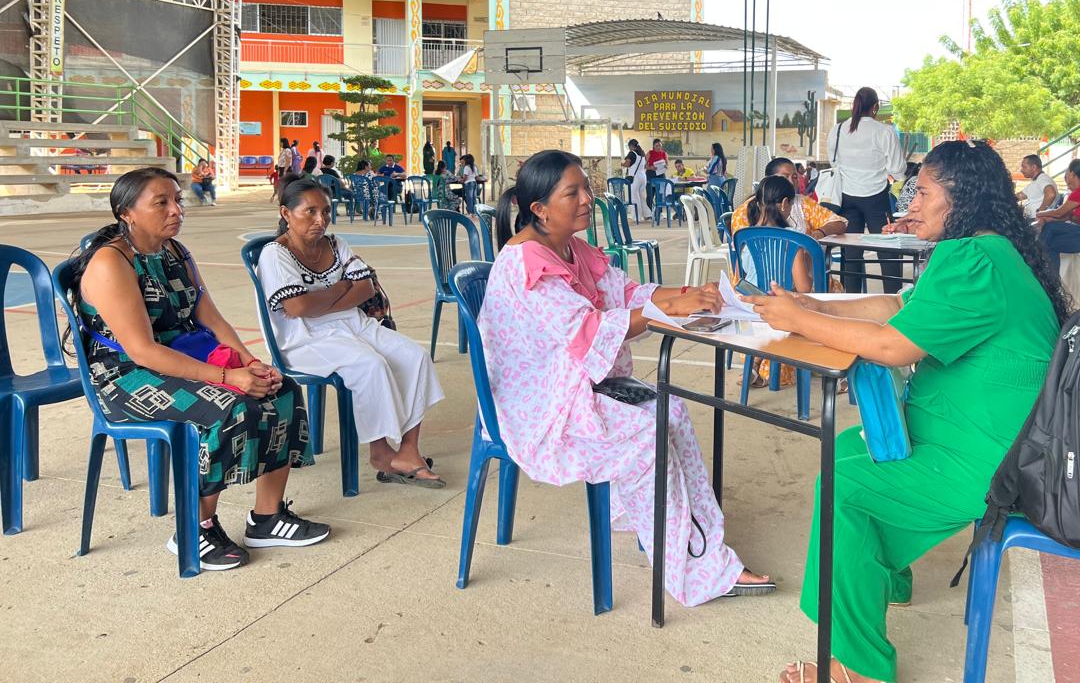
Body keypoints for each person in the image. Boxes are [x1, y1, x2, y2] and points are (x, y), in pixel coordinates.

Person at [745, 140, 1071, 683]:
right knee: (853, 446)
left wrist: (798, 322)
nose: (910, 202)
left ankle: (860, 667)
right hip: (995, 443)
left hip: (995, 462)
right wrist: (812, 304)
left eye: (922, 191)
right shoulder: (985, 251)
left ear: (961, 197)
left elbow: (894, 346)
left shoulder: (975, 260)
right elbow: (901, 310)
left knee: (842, 487)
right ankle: (884, 576)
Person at [478, 149, 775, 605]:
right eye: (572, 192)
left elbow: (624, 291)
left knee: (671, 411)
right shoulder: (527, 264)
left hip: (572, 386)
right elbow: (587, 331)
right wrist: (668, 309)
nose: (586, 200)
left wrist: (685, 295)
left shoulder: (570, 247)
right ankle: (696, 571)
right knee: (648, 435)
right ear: (538, 209)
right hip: (539, 408)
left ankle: (680, 534)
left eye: (587, 189)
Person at [69, 167, 329, 571]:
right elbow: (141, 351)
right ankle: (196, 526)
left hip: (186, 360)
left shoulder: (174, 252)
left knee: (283, 390)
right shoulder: (111, 262)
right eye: (162, 202)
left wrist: (250, 362)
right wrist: (228, 378)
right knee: (230, 407)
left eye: (177, 199)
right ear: (127, 212)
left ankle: (267, 517)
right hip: (126, 376)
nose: (176, 209)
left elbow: (213, 320)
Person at [259, 176, 446, 487]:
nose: (321, 220)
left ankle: (409, 450)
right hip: (304, 338)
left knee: (415, 356)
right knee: (370, 365)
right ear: (285, 213)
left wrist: (326, 299)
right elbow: (297, 309)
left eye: (326, 212)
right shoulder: (275, 254)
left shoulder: (335, 244)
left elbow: (365, 288)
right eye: (310, 212)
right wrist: (342, 288)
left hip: (354, 324)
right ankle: (381, 452)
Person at [826, 87, 907, 294]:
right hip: (876, 197)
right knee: (888, 252)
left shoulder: (837, 130)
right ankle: (893, 300)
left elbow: (833, 162)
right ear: (875, 107)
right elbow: (898, 169)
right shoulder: (884, 131)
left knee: (851, 255)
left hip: (845, 197)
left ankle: (851, 300)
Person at [737, 175, 814, 389]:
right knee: (812, 303)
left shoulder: (744, 236)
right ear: (785, 204)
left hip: (748, 306)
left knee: (769, 302)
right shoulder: (793, 238)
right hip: (781, 309)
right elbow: (804, 287)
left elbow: (741, 275)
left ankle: (753, 366)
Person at [730, 157, 847, 242]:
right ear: (769, 179)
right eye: (785, 177)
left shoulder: (803, 203)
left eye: (795, 177)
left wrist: (820, 232)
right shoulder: (743, 212)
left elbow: (839, 223)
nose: (791, 181)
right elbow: (740, 254)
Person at [1016, 154, 1058, 220]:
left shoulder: (1043, 179)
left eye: (1024, 167)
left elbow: (1051, 194)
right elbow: (1020, 196)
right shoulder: (1036, 181)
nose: (1021, 170)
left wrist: (1040, 213)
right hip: (1030, 218)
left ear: (1034, 167)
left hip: (1037, 220)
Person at [623, 139, 651, 221]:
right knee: (641, 197)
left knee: (634, 197)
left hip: (635, 177)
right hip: (643, 177)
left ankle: (637, 217)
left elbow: (627, 164)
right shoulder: (642, 154)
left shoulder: (632, 153)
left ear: (631, 146)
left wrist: (622, 164)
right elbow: (645, 164)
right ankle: (648, 214)